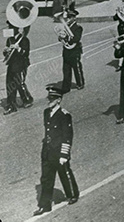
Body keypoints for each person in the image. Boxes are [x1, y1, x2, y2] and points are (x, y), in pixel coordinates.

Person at [33, 87, 79, 216]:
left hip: (59, 151)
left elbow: (67, 136)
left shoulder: (64, 115)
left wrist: (64, 154)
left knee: (64, 172)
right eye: (49, 98)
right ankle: (45, 205)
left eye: (52, 99)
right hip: (48, 151)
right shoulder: (46, 112)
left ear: (59, 100)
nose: (49, 100)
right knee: (46, 178)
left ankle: (72, 194)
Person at [3, 23, 33, 114]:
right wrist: (6, 51)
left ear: (16, 29)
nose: (9, 29)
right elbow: (7, 54)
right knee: (9, 84)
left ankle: (27, 99)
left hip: (21, 64)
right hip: (12, 64)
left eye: (11, 28)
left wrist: (19, 48)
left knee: (19, 83)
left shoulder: (24, 39)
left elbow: (26, 53)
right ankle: (11, 105)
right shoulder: (10, 39)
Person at [59, 9, 84, 92]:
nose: (67, 20)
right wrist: (61, 37)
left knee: (76, 67)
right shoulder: (65, 27)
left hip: (75, 50)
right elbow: (61, 36)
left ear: (74, 18)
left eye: (69, 18)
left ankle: (80, 83)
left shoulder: (78, 28)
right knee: (66, 69)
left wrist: (66, 38)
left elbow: (76, 39)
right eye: (67, 18)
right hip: (66, 50)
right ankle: (66, 87)